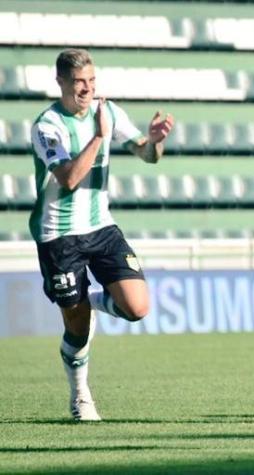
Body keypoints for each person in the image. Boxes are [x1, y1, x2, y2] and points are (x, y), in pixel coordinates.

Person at [29, 48, 175, 421]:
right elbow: (69, 179)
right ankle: (80, 396)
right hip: (59, 235)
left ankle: (88, 298)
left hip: (101, 227)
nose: (87, 89)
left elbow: (146, 155)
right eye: (79, 82)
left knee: (138, 308)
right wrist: (97, 136)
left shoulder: (108, 111)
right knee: (76, 328)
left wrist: (155, 140)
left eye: (92, 81)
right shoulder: (47, 126)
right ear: (60, 81)